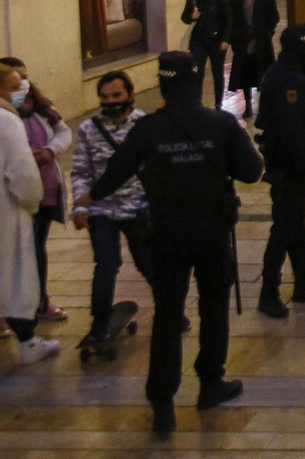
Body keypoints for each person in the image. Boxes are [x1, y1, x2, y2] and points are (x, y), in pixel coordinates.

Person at [82, 51, 264, 434]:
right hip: (212, 232)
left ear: (163, 85)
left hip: (164, 233)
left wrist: (90, 197)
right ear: (198, 82)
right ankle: (210, 383)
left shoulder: (148, 129)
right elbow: (252, 171)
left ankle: (163, 402)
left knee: (167, 315)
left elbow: (116, 173)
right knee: (214, 308)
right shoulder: (222, 123)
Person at [71, 70, 156, 346]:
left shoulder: (144, 125)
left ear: (130, 95)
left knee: (149, 264)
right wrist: (80, 208)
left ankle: (171, 312)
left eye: (117, 95)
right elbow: (81, 171)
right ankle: (99, 322)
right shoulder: (88, 129)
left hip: (138, 210)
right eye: (105, 97)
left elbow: (156, 169)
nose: (111, 101)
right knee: (106, 266)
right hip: (102, 212)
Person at [254, 25, 305, 317]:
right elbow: (292, 131)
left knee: (296, 227)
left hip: (285, 163)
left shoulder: (284, 72)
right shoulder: (290, 80)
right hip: (288, 167)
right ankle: (268, 292)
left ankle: (304, 284)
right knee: (284, 229)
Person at [0, 58, 70, 323]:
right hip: (15, 199)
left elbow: (63, 132)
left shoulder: (41, 108)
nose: (24, 87)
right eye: (17, 83)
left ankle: (39, 301)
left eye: (25, 80)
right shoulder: (7, 120)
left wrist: (51, 151)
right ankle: (13, 312)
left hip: (44, 190)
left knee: (36, 248)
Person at [226, 0, 279, 116]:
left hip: (261, 40)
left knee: (263, 71)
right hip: (243, 40)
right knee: (245, 73)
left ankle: (265, 104)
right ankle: (248, 104)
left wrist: (267, 32)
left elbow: (273, 15)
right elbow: (234, 17)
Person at [181, 0, 233, 107]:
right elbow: (185, 17)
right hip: (198, 40)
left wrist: (226, 39)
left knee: (217, 73)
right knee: (197, 73)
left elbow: (228, 19)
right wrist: (192, 16)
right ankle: (197, 103)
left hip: (217, 40)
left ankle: (218, 105)